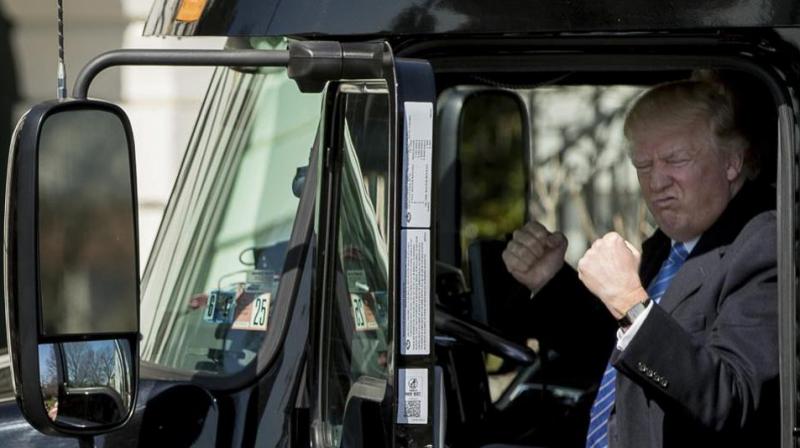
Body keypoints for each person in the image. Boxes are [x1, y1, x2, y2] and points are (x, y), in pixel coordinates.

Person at [502, 74, 778, 447]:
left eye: (675, 160)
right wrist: (551, 279)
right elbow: (620, 361)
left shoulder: (764, 244)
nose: (656, 182)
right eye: (642, 165)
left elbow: (730, 399)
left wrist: (632, 304)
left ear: (732, 162)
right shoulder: (669, 245)